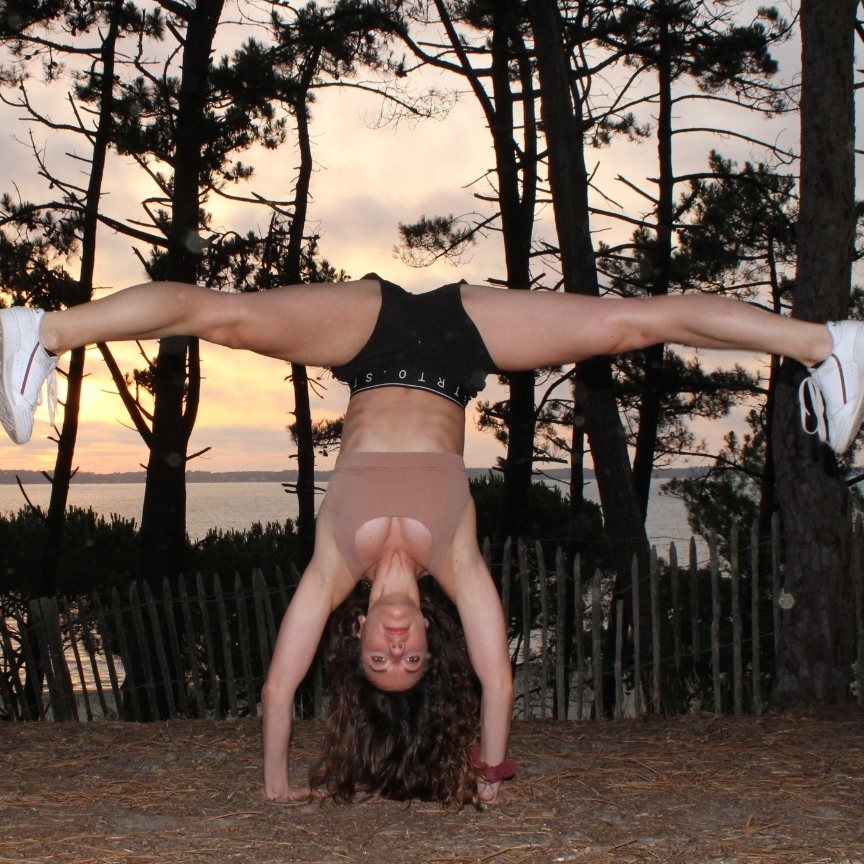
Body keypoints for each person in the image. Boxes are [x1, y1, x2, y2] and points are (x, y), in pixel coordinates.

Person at [0, 275, 861, 806]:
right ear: (423, 642)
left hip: (366, 340)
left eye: (382, 659)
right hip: (458, 348)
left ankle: (41, 333)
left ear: (358, 638)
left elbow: (277, 687)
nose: (398, 646)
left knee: (218, 318)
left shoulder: (332, 566)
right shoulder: (459, 559)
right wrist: (489, 776)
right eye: (411, 660)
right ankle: (828, 348)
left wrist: (275, 785)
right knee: (630, 325)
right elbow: (498, 679)